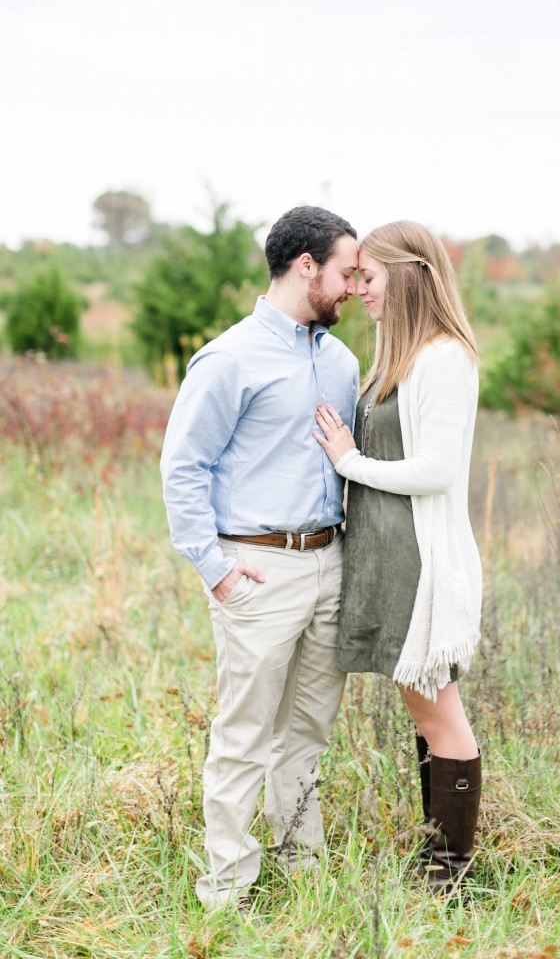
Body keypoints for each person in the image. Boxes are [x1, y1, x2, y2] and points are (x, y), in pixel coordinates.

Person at [160, 205, 359, 908]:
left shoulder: (342, 362)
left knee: (307, 728)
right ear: (306, 267)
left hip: (328, 562)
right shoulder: (229, 357)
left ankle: (299, 863)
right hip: (256, 567)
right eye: (344, 272)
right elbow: (183, 467)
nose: (353, 287)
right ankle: (225, 886)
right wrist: (213, 568)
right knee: (244, 733)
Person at [313, 220, 482, 892]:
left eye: (368, 277)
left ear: (409, 276)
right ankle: (435, 854)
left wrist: (350, 463)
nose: (358, 291)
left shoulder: (445, 358)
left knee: (440, 711)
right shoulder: (400, 356)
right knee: (423, 710)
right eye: (352, 277)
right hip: (387, 561)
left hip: (421, 565)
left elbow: (437, 470)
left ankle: (450, 874)